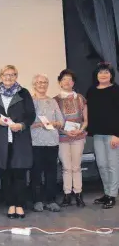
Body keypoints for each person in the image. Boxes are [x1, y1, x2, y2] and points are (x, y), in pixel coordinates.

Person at [0, 64, 36, 219]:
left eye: (12, 75)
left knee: (19, 173)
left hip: (20, 140)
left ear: (16, 76)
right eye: (6, 74)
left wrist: (22, 125)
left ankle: (20, 205)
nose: (9, 77)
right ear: (1, 76)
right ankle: (11, 204)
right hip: (0, 141)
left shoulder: (24, 93)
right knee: (5, 175)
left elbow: (31, 115)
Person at [86, 62, 119, 209]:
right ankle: (106, 193)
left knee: (113, 165)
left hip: (113, 135)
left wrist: (117, 134)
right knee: (102, 165)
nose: (103, 75)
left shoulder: (116, 90)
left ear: (111, 74)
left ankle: (112, 195)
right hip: (97, 134)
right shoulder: (92, 91)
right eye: (100, 72)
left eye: (106, 72)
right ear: (96, 75)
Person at [30, 74, 64, 212]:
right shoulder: (30, 102)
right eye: (39, 82)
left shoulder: (53, 101)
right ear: (34, 85)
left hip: (52, 141)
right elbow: (26, 122)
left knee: (51, 172)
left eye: (45, 82)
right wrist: (38, 124)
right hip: (36, 142)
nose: (42, 85)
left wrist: (54, 123)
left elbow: (61, 122)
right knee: (36, 172)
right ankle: (37, 200)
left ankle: (51, 200)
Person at [54, 69, 87, 208]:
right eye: (64, 79)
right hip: (62, 137)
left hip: (79, 137)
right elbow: (54, 121)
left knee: (76, 167)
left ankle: (78, 194)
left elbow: (86, 120)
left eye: (70, 79)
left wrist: (80, 129)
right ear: (60, 82)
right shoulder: (54, 100)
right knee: (66, 167)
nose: (67, 81)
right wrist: (64, 131)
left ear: (73, 82)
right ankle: (67, 194)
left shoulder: (80, 98)